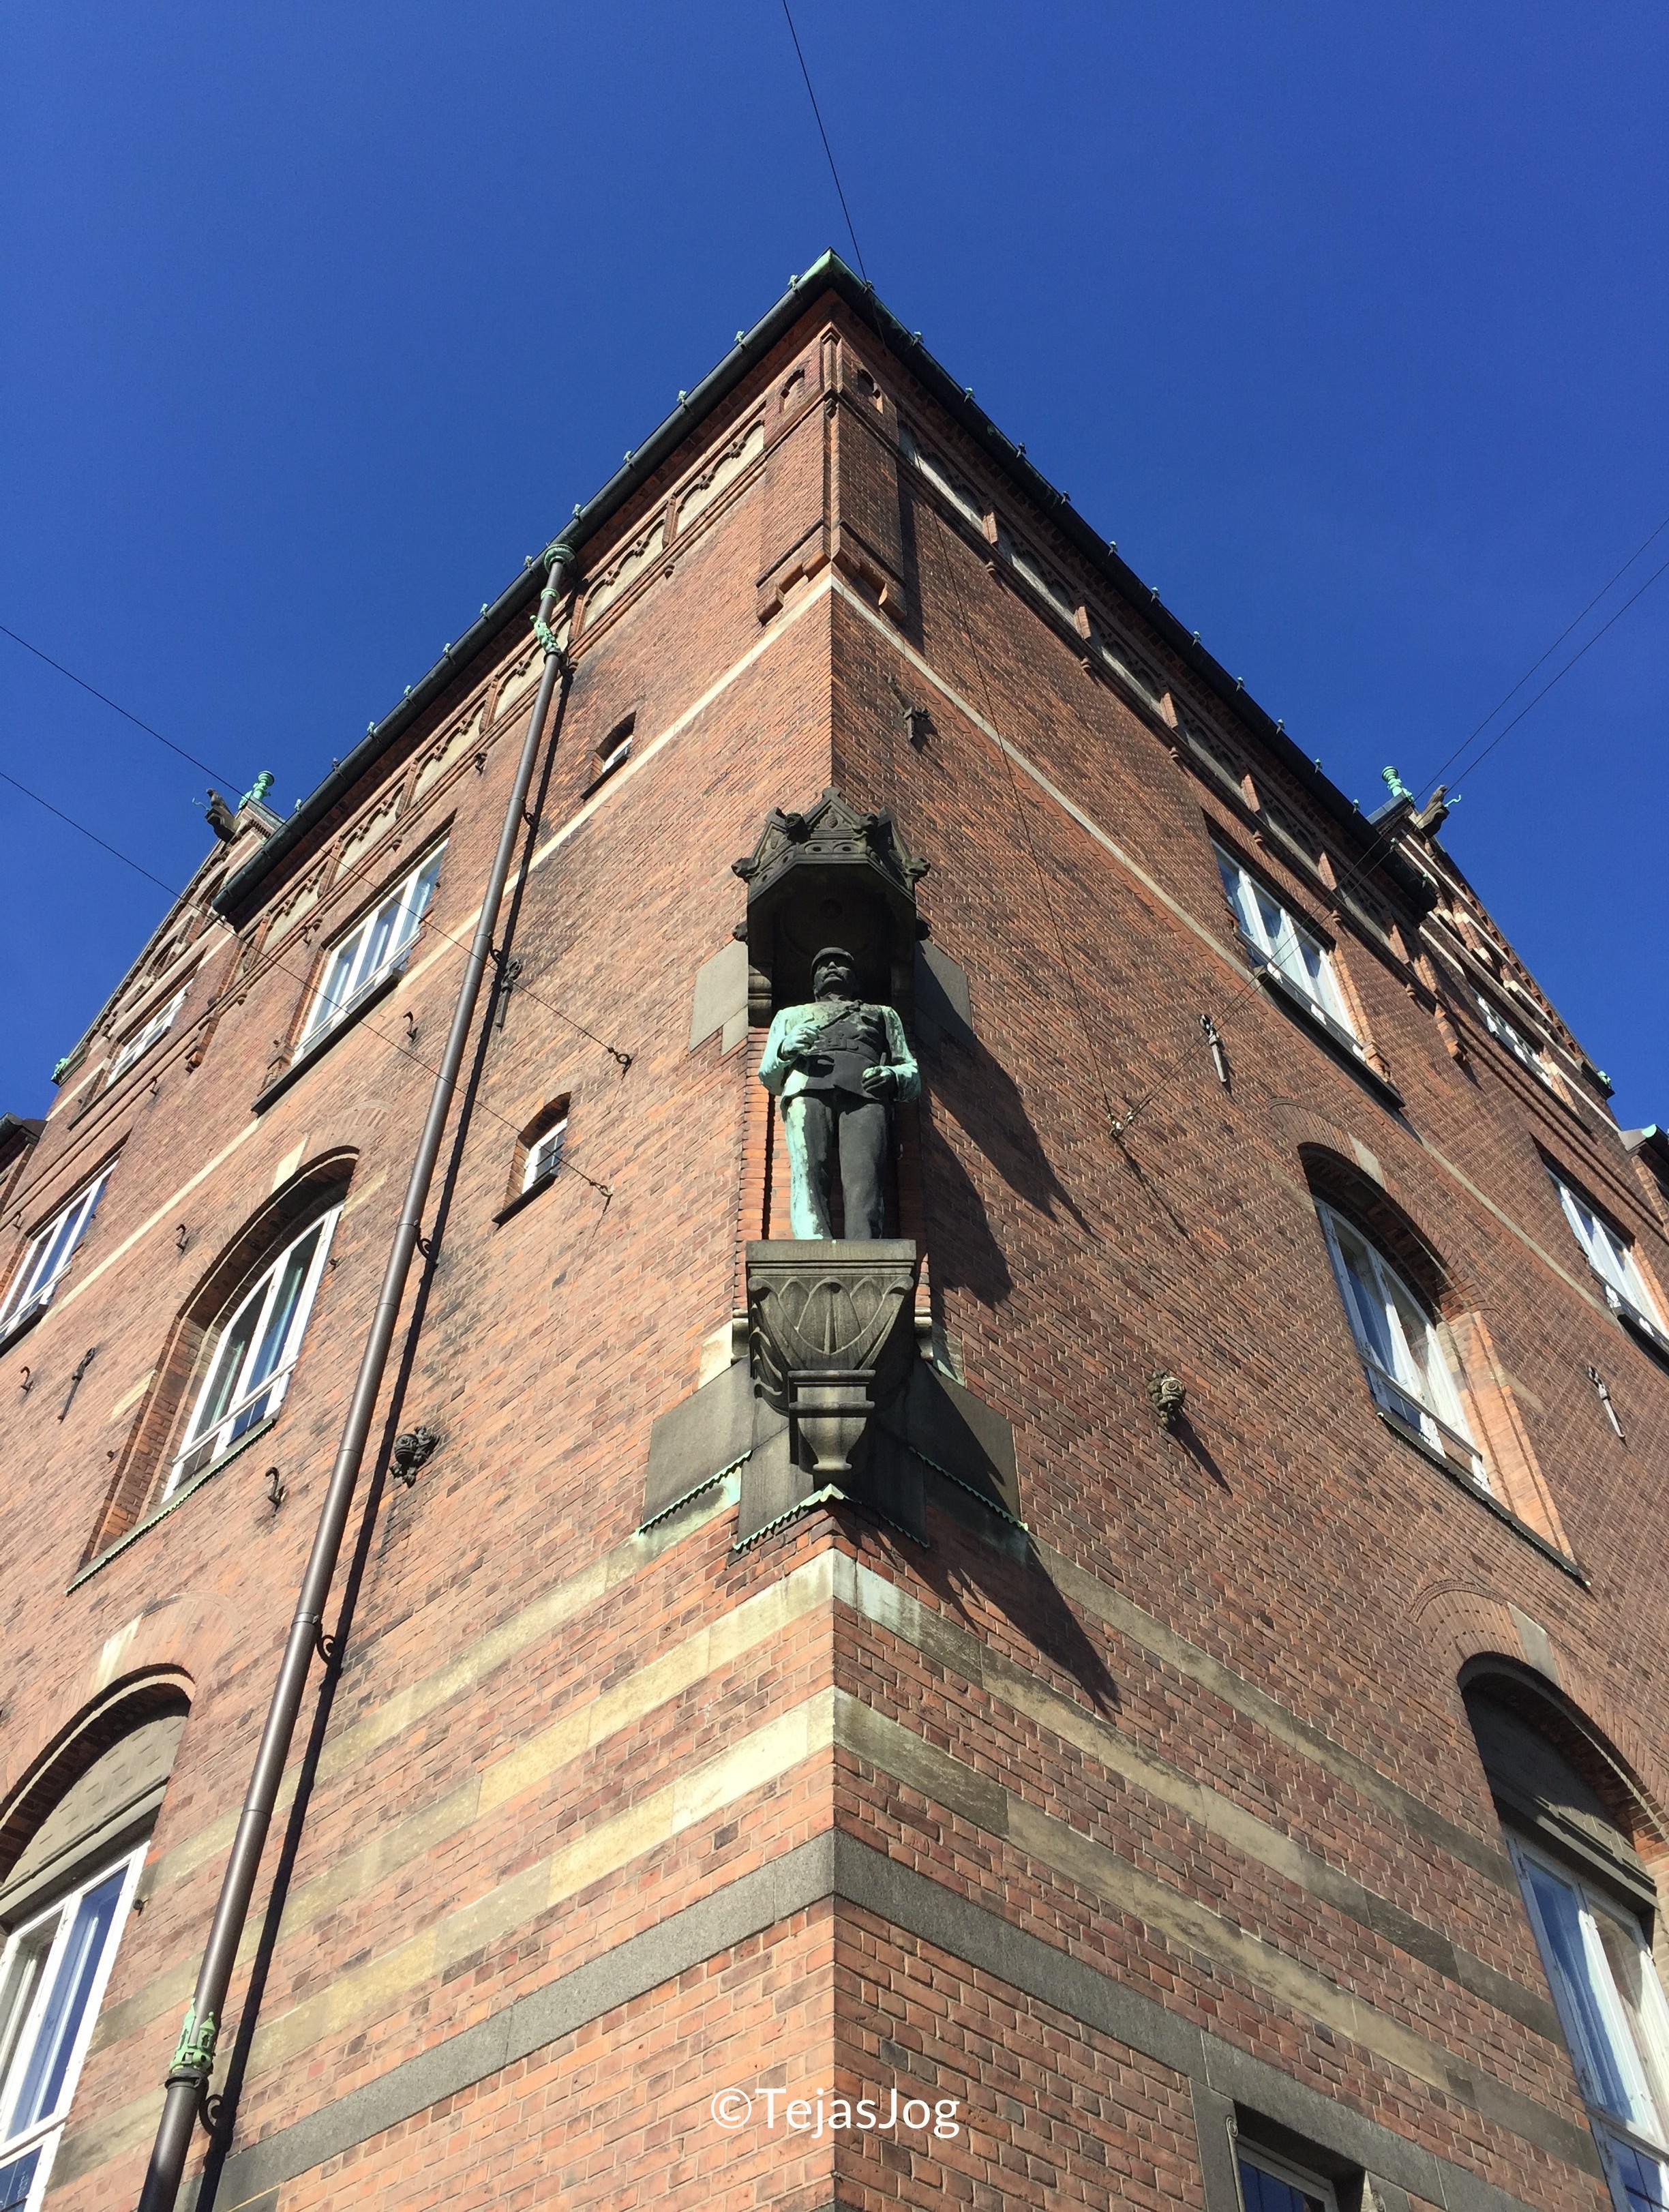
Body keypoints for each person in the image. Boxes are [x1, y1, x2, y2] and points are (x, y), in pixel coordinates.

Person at [758, 946, 919, 1239]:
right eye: (822, 967)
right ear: (814, 983)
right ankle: (812, 1240)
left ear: (856, 981)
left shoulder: (883, 1014)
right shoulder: (790, 1016)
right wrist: (786, 1048)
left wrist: (892, 1076)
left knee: (865, 1175)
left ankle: (866, 1247)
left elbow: (911, 1071)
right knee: (809, 1170)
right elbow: (768, 1075)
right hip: (807, 1089)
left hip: (866, 1092)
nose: (831, 967)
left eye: (841, 964)